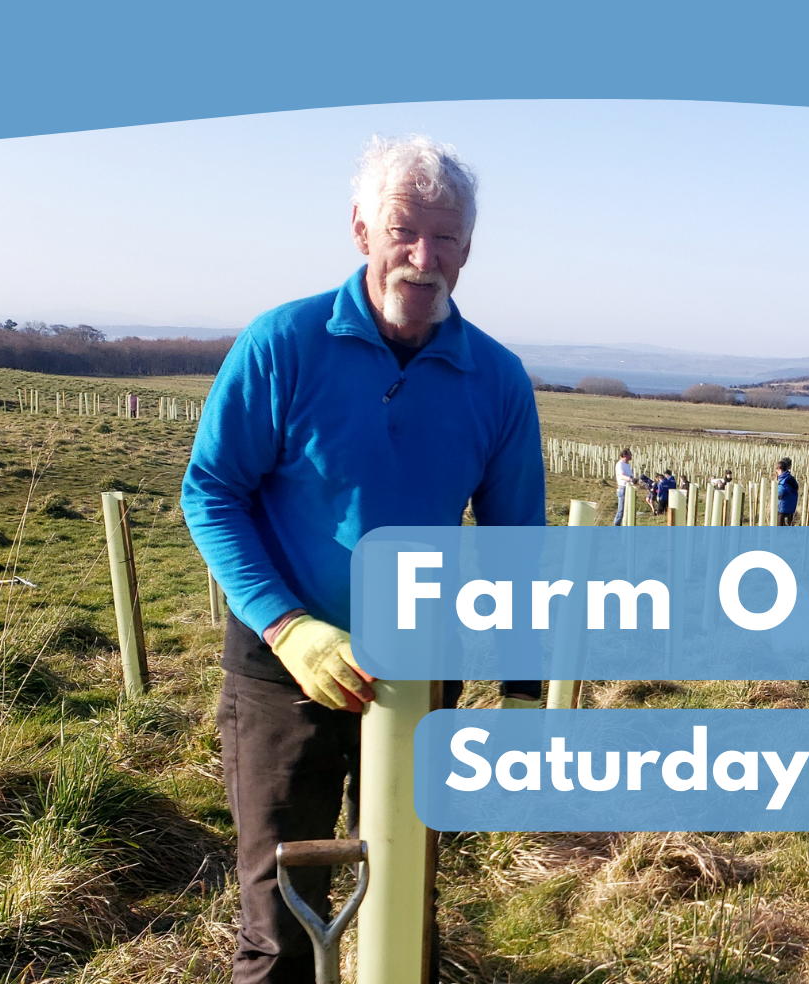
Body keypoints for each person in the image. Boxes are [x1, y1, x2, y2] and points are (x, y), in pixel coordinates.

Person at [181, 135, 544, 984]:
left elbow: (516, 544)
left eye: (445, 239)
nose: (423, 259)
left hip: (421, 677)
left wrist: (523, 695)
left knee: (404, 914)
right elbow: (211, 492)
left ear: (468, 249)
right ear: (360, 231)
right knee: (282, 930)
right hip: (283, 676)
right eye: (402, 232)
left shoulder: (497, 379)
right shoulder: (283, 344)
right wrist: (289, 628)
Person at [614, 448, 636, 525]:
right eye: (629, 454)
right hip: (622, 488)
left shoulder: (627, 465)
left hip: (629, 488)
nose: (631, 456)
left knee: (628, 510)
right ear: (624, 455)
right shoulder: (620, 464)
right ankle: (616, 529)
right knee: (621, 511)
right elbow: (621, 475)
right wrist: (630, 479)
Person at [774, 458, 799, 525]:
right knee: (789, 526)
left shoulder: (783, 481)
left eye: (777, 470)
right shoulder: (790, 478)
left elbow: (778, 493)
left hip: (783, 507)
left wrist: (774, 489)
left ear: (780, 469)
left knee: (780, 526)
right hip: (791, 507)